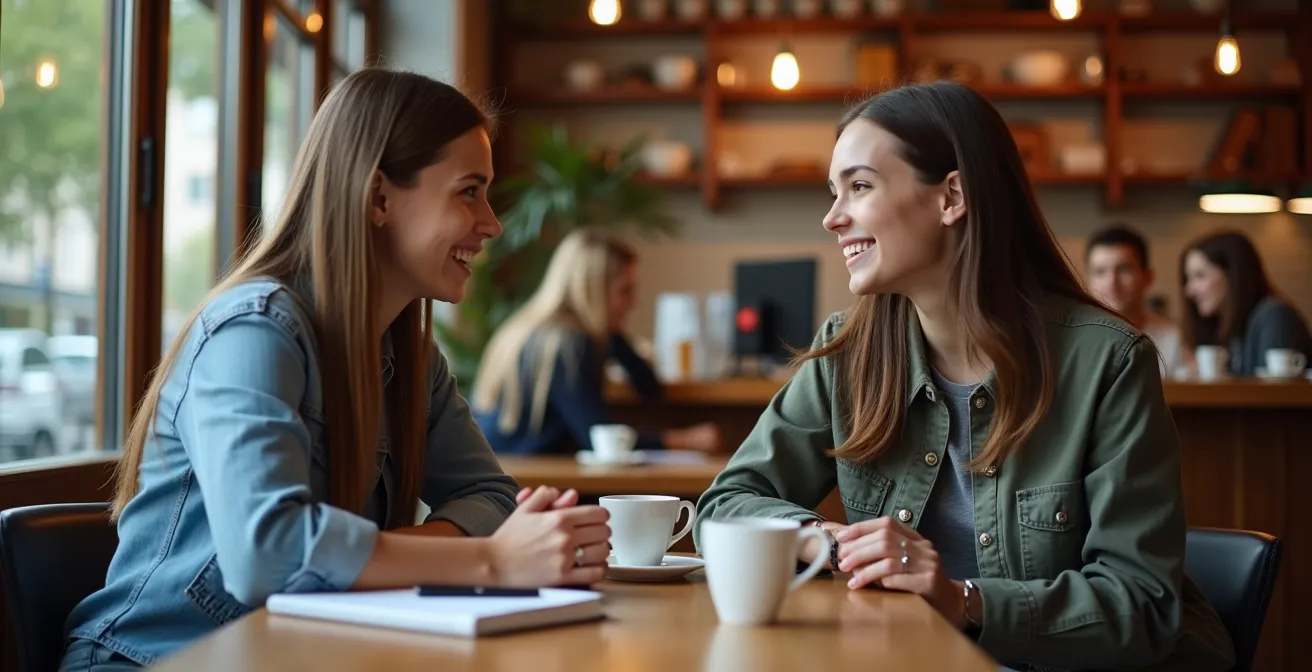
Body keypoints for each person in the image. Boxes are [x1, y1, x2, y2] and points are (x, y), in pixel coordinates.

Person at [59, 69, 611, 672]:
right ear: (379, 198)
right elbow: (265, 553)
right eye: (469, 191)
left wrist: (379, 555)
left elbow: (491, 497)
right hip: (155, 659)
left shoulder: (413, 362)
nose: (492, 223)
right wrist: (493, 563)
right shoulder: (253, 331)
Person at [693, 82, 1233, 671]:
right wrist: (818, 538)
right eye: (834, 192)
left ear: (952, 196)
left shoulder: (1107, 361)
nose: (832, 217)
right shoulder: (850, 352)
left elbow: (1142, 603)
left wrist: (963, 600)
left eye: (860, 186)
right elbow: (724, 506)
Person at [471, 230, 719, 455]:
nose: (634, 302)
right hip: (524, 480)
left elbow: (648, 387)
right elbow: (599, 439)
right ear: (594, 291)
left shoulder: (524, 327)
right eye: (625, 290)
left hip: (503, 468)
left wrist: (614, 334)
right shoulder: (566, 345)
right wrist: (685, 440)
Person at [1181, 230, 1312, 377]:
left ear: (1233, 274)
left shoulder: (1274, 316)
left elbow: (1275, 396)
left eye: (1200, 276)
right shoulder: (1233, 329)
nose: (1189, 290)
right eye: (1188, 278)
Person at [1084, 224, 1189, 378]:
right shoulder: (1075, 341)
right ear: (1088, 280)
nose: (1111, 282)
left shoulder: (1174, 340)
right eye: (1100, 272)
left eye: (1123, 269)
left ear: (1147, 277)